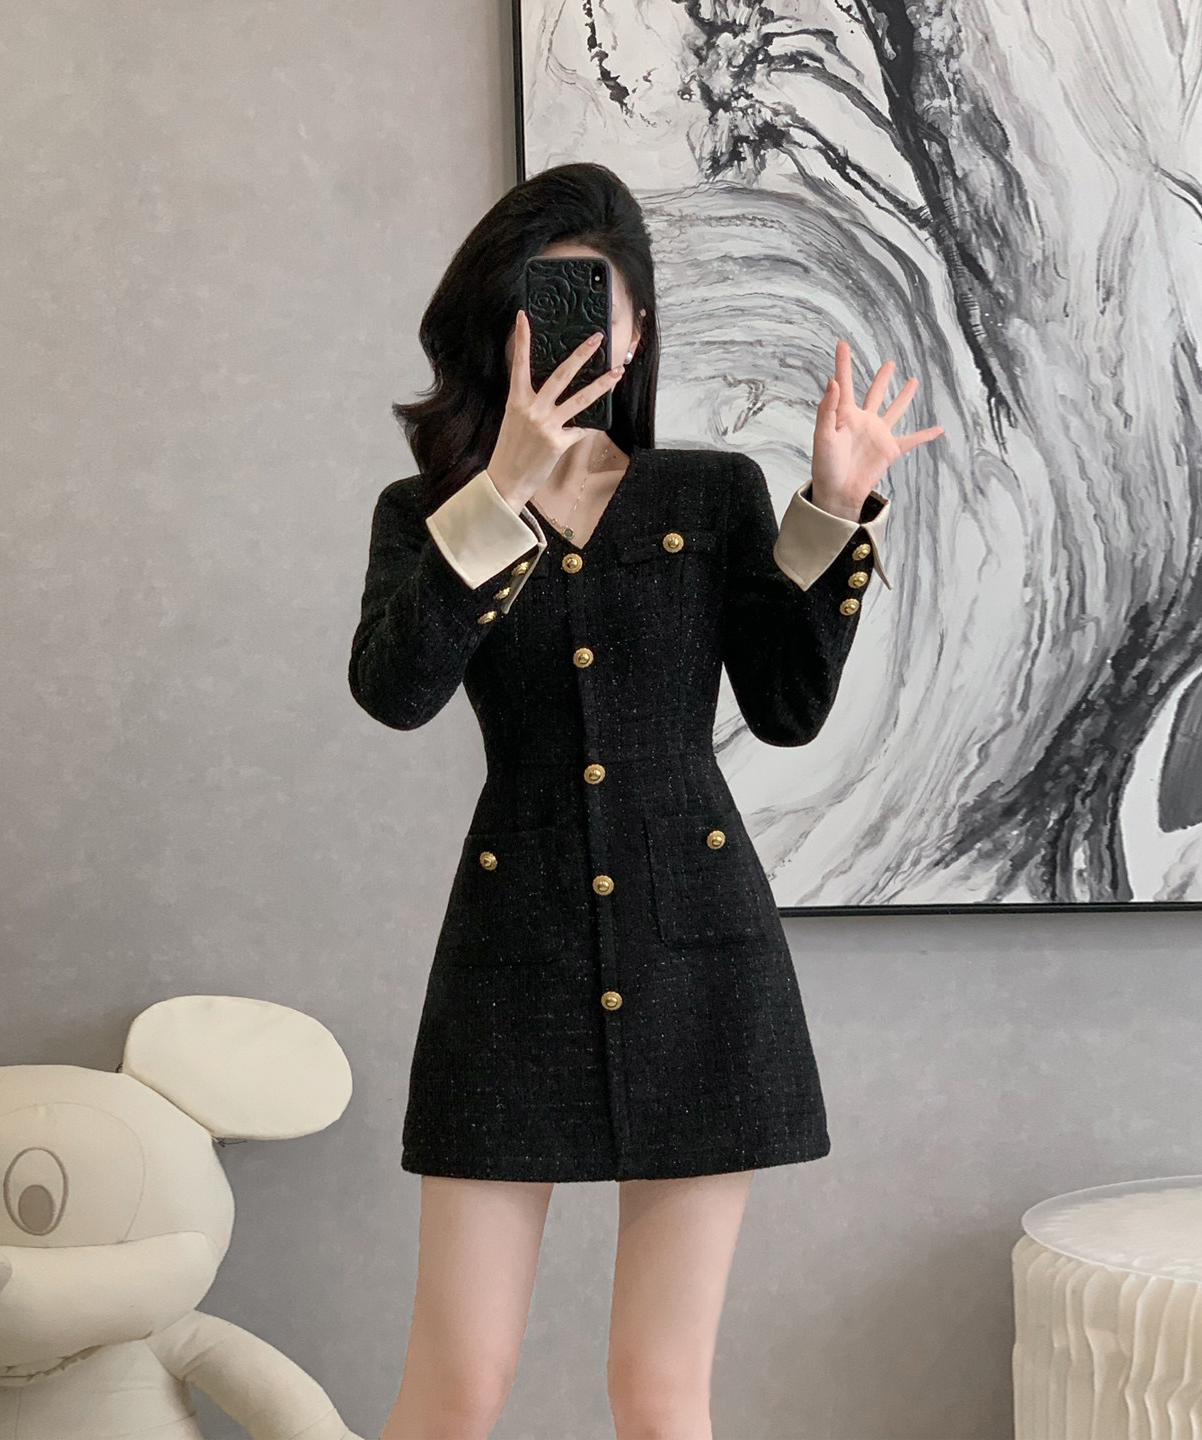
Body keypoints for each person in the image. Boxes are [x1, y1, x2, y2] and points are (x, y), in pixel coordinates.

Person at [348, 161, 943, 1440]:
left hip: (699, 965)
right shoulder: (428, 513)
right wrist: (502, 489)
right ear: (498, 326)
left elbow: (785, 704)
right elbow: (395, 690)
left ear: (635, 334)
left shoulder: (710, 496)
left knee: (660, 1394)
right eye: (543, 304)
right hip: (511, 964)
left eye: (596, 308)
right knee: (457, 1387)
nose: (572, 334)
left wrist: (833, 507)